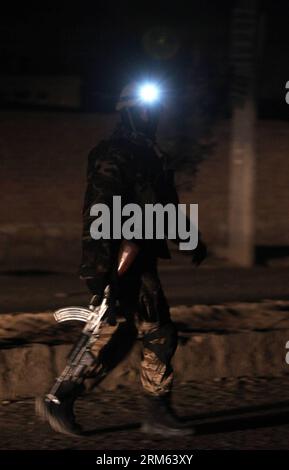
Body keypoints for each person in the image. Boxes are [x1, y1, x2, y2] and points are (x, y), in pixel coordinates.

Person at [36, 81, 207, 437]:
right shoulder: (113, 153)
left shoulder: (150, 154)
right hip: (122, 258)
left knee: (127, 333)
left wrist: (190, 240)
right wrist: (99, 268)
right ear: (129, 111)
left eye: (155, 109)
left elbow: (164, 206)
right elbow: (98, 209)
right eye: (145, 109)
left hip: (140, 256)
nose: (152, 115)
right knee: (152, 332)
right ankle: (67, 398)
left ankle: (64, 397)